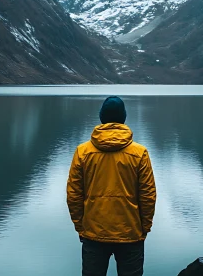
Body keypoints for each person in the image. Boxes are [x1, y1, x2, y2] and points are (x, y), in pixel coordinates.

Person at [66, 96, 157, 276]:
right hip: (131, 232)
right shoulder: (139, 153)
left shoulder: (83, 152)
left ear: (101, 117)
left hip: (93, 232)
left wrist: (81, 227)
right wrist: (144, 228)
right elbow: (148, 195)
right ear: (123, 118)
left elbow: (74, 195)